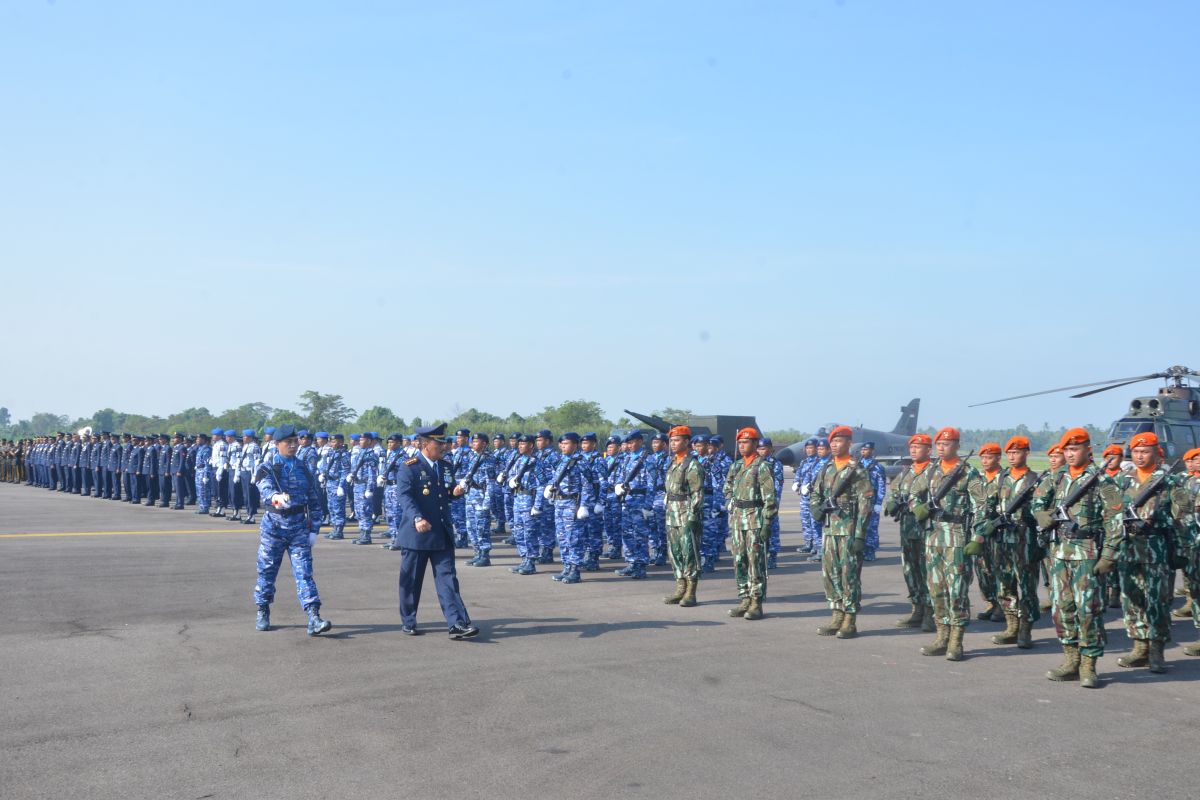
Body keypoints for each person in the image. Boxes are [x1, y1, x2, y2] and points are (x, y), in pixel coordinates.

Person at [1031, 428, 1123, 688]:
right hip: (1059, 552)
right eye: (1067, 450)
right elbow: (1037, 503)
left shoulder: (1102, 481)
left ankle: (1088, 665)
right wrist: (1041, 515)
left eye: (1075, 449)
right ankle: (1070, 659)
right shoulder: (1056, 477)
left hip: (1087, 553)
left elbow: (1115, 522)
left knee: (1088, 611)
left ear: (1087, 450)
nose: (1070, 454)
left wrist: (1108, 556)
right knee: (1062, 610)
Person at [1109, 431, 1195, 674]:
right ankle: (1139, 646)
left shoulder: (1169, 481)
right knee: (1131, 597)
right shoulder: (1124, 480)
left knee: (1156, 599)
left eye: (1144, 452)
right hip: (1128, 547)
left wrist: (1181, 547)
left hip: (1156, 547)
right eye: (1135, 452)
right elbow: (1112, 511)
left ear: (1156, 454)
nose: (1139, 456)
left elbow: (1184, 515)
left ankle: (1157, 649)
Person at [394, 423, 479, 639]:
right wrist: (417, 517)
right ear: (424, 444)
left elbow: (446, 494)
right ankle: (409, 620)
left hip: (441, 531)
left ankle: (457, 624)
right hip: (418, 533)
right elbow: (405, 496)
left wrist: (456, 492)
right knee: (411, 581)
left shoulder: (446, 466)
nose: (443, 447)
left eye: (444, 443)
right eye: (438, 443)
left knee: (448, 579)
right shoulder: (409, 466)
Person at [909, 427, 983, 662]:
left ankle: (956, 641)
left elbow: (981, 507)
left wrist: (977, 537)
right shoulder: (930, 470)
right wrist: (917, 508)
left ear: (957, 446)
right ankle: (941, 636)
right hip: (933, 537)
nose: (941, 447)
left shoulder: (968, 473)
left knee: (957, 591)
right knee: (936, 589)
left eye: (947, 443)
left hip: (957, 536)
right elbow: (913, 493)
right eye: (939, 444)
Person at [252, 424, 331, 636]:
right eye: (288, 442)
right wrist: (275, 498)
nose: (293, 446)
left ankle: (313, 617)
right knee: (267, 571)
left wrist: (314, 529)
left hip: (298, 528)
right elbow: (264, 487)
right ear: (277, 444)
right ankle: (263, 609)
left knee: (305, 572)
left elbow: (314, 501)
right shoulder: (267, 466)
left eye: (295, 442)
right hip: (274, 528)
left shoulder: (304, 467)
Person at [972, 436, 1042, 649]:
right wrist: (982, 528)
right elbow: (988, 506)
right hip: (1002, 540)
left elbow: (1041, 511)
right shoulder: (1001, 479)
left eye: (1017, 452)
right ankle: (1011, 625)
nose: (1013, 456)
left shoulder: (1035, 480)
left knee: (1028, 586)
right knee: (1005, 584)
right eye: (1010, 453)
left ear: (1026, 453)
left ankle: (1026, 629)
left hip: (1025, 539)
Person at [809, 426, 875, 638]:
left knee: (850, 576)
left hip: (848, 528)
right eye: (833, 441)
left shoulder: (857, 469)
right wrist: (816, 510)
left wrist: (860, 534)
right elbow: (815, 494)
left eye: (840, 441)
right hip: (830, 529)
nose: (835, 445)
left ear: (849, 443)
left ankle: (849, 619)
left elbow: (866, 502)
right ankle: (836, 614)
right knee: (830, 574)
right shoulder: (826, 468)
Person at [724, 427, 778, 621]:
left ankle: (756, 602)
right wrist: (729, 499)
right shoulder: (737, 465)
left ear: (755, 445)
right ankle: (744, 598)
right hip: (738, 519)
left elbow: (770, 499)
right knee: (739, 561)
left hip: (755, 518)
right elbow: (727, 486)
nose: (742, 445)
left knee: (755, 562)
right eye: (740, 443)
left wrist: (767, 523)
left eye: (746, 442)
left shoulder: (762, 467)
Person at [884, 433, 935, 631]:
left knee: (927, 572)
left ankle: (930, 613)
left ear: (928, 450)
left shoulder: (933, 472)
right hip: (907, 527)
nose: (913, 450)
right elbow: (896, 491)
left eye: (918, 447)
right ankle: (917, 609)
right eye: (911, 447)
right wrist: (892, 502)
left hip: (927, 530)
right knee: (910, 571)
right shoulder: (906, 472)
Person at [663, 425, 705, 606]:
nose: (673, 443)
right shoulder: (673, 462)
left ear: (687, 442)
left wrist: (692, 517)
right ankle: (680, 587)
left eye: (677, 440)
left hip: (686, 513)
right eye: (671, 440)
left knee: (690, 553)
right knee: (674, 552)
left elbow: (697, 493)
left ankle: (691, 592)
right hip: (672, 513)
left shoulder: (692, 464)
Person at [756, 437, 785, 570]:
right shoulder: (755, 463)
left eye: (764, 448)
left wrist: (772, 503)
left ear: (770, 448)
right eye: (759, 449)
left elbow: (777, 485)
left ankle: (772, 557)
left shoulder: (775, 464)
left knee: (772, 530)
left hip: (770, 502)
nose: (761, 451)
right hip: (757, 502)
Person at [857, 441, 887, 562]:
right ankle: (861, 550)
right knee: (860, 526)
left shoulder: (877, 467)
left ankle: (870, 551)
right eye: (862, 449)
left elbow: (881, 486)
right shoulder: (857, 465)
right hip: (859, 501)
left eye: (866, 449)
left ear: (872, 451)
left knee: (871, 528)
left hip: (872, 501)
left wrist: (879, 503)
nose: (863, 451)